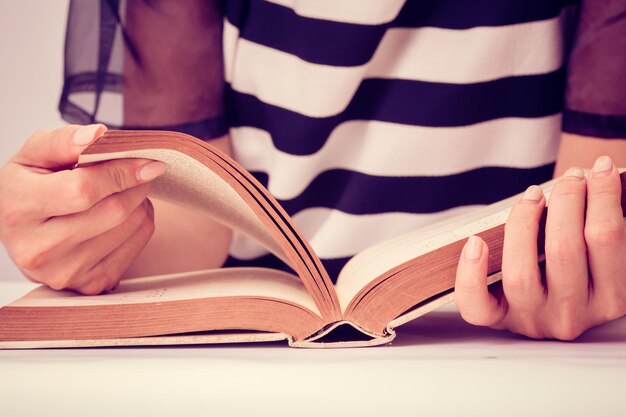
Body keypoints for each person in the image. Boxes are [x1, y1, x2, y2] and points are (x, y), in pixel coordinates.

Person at [0, 0, 625, 341]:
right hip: (261, 349)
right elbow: (191, 221)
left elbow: (598, 183)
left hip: (499, 339)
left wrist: (578, 268)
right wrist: (81, 230)